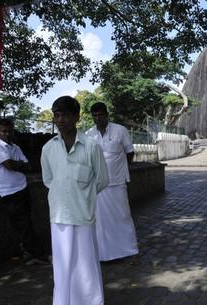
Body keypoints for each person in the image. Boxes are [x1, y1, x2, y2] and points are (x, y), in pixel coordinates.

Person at [41, 96, 109, 305]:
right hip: (59, 217)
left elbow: (102, 180)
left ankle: (90, 301)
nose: (60, 120)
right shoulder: (48, 148)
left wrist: (84, 196)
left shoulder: (90, 146)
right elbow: (48, 180)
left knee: (85, 265)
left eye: (65, 115)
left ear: (77, 117)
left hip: (83, 216)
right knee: (62, 265)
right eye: (57, 115)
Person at [0, 118, 48, 265]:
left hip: (22, 189)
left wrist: (17, 164)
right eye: (4, 131)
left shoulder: (15, 147)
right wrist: (17, 164)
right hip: (7, 194)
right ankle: (38, 254)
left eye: (9, 131)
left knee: (26, 223)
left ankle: (29, 252)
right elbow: (9, 165)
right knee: (24, 225)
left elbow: (29, 166)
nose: (7, 134)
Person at [86, 102, 139, 263]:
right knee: (101, 221)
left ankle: (132, 252)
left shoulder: (120, 130)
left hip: (117, 183)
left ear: (107, 114)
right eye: (94, 115)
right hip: (99, 185)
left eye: (100, 114)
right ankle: (104, 255)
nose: (97, 118)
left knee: (123, 217)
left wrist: (118, 169)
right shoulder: (88, 134)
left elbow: (130, 153)